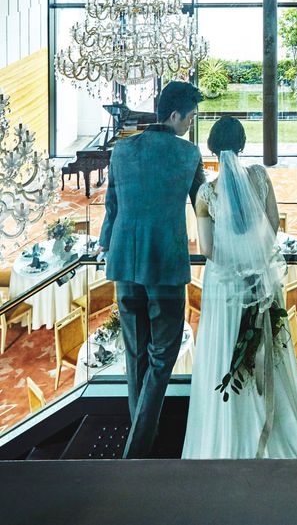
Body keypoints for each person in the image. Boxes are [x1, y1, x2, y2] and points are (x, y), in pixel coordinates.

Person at [182, 117, 297, 459]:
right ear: (242, 145)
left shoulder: (206, 194)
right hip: (261, 282)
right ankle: (275, 432)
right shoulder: (259, 177)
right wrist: (253, 263)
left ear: (212, 147)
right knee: (269, 354)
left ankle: (226, 436)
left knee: (224, 351)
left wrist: (236, 266)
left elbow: (208, 250)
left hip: (225, 290)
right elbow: (272, 226)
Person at [99, 81, 205, 459]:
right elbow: (205, 205)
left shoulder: (122, 150)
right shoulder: (188, 154)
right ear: (174, 115)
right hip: (165, 267)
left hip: (124, 265)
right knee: (162, 357)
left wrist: (104, 245)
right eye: (190, 118)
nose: (190, 125)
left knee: (136, 355)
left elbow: (111, 207)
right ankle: (138, 448)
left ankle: (142, 436)